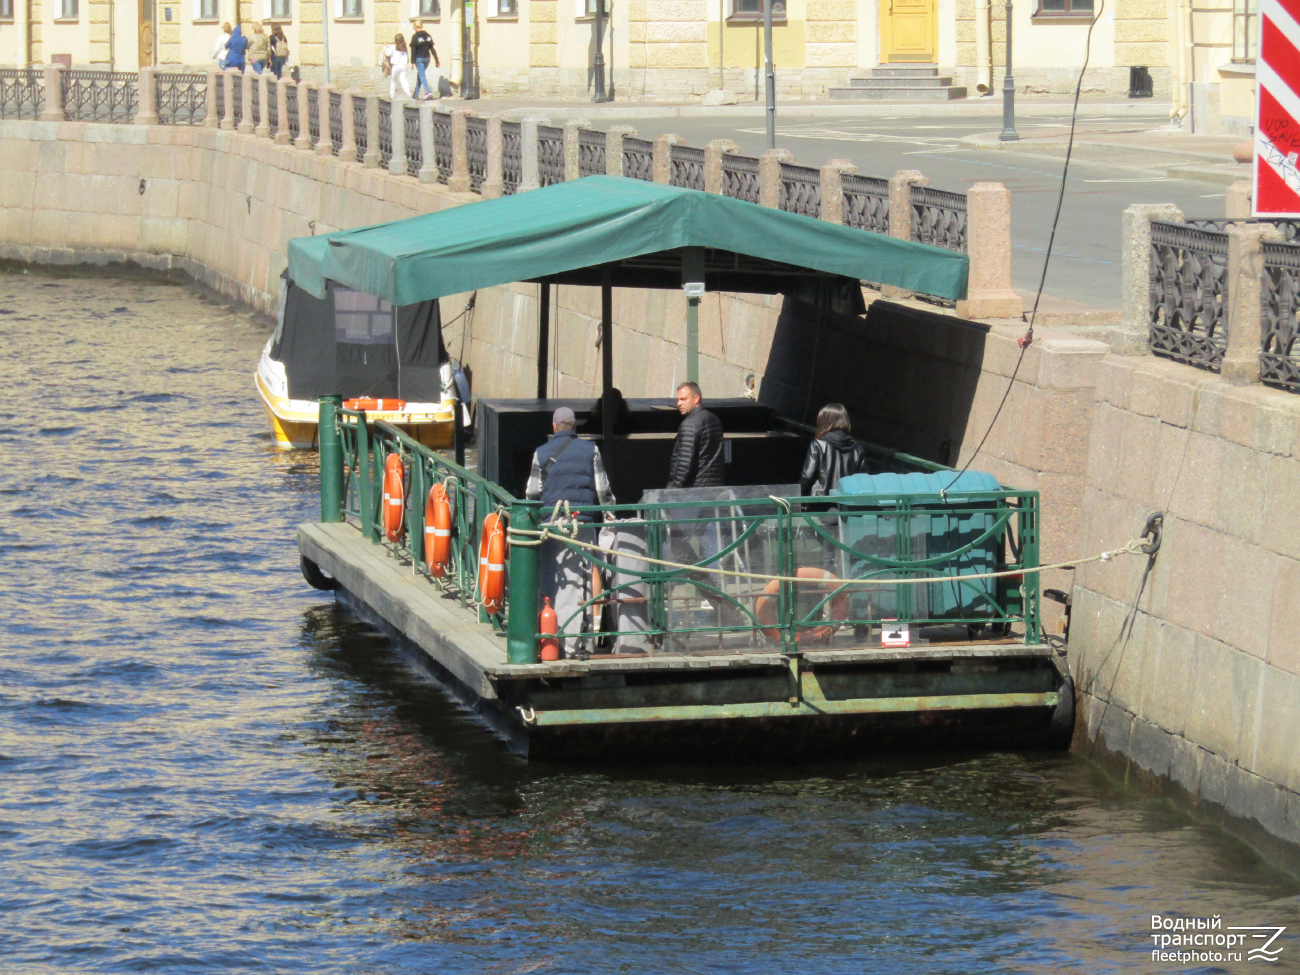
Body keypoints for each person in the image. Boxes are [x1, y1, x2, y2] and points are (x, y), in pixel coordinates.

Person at [525, 407, 616, 658]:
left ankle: (551, 641)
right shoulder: (591, 451)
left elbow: (532, 494)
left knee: (552, 582)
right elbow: (603, 491)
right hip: (582, 525)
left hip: (550, 527)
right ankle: (580, 643)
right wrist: (611, 515)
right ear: (575, 428)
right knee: (581, 583)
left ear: (554, 427)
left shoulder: (540, 453)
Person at [799, 403, 866, 497]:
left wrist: (799, 496)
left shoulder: (818, 445)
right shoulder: (858, 450)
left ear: (824, 422)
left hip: (820, 503)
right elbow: (862, 480)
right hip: (845, 506)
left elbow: (807, 476)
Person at [667, 381, 724, 490]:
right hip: (714, 487)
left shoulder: (690, 424)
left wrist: (672, 490)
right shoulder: (714, 419)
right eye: (678, 399)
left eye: (683, 399)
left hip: (694, 490)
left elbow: (684, 463)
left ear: (696, 398)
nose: (679, 403)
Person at [409, 21, 440, 100]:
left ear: (415, 27)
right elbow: (432, 49)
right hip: (427, 58)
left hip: (419, 58)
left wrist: (412, 62)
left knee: (422, 75)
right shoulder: (427, 36)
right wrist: (437, 60)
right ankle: (415, 94)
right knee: (420, 74)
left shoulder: (415, 36)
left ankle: (428, 92)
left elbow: (414, 50)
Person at [382, 34, 413, 99]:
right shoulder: (404, 48)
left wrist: (384, 46)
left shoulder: (394, 47)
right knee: (404, 80)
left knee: (393, 80)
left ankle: (392, 95)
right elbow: (407, 57)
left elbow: (387, 53)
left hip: (396, 66)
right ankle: (408, 93)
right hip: (403, 66)